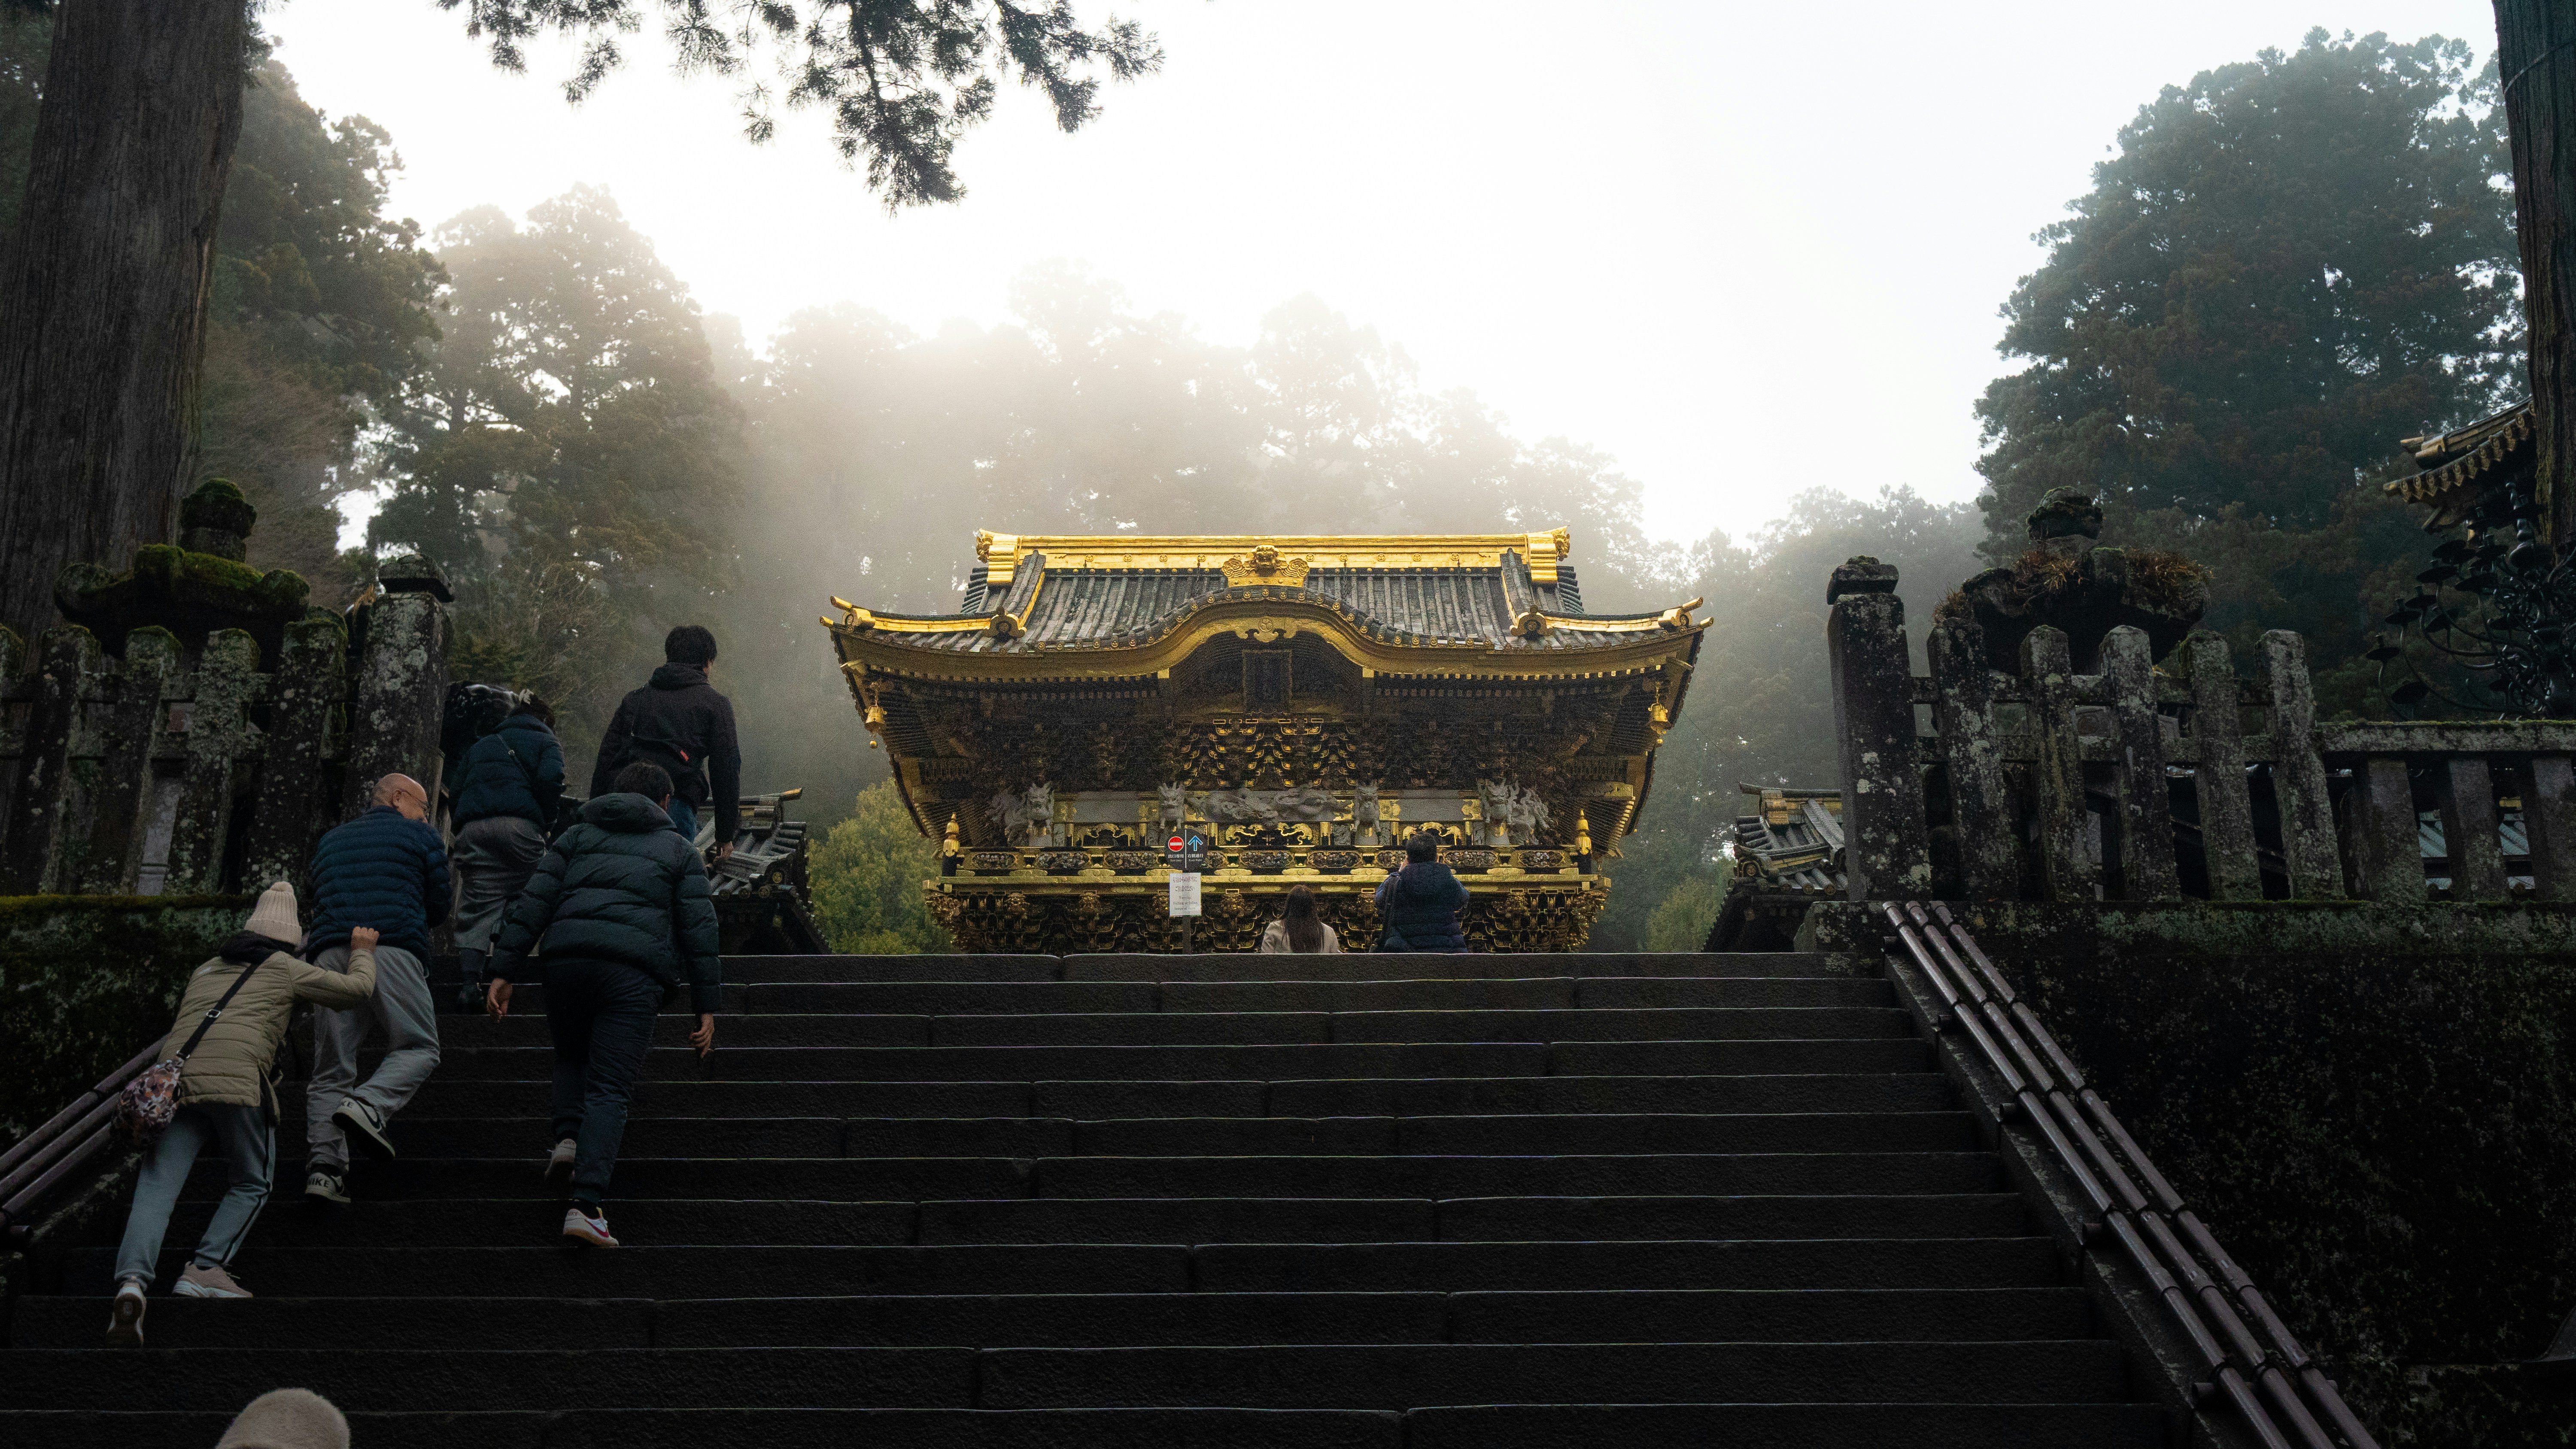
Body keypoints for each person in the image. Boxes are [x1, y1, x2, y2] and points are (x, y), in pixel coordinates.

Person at [106, 885, 378, 1347]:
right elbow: (356, 991)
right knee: (253, 1180)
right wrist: (362, 952)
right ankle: (206, 1268)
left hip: (177, 1084)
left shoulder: (205, 969)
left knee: (156, 1186)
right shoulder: (287, 967)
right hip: (238, 1084)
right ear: (290, 939)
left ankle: (131, 1282)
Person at [487, 760, 720, 1248]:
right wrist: (707, 1004)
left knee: (572, 1056)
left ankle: (569, 1139)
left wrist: (504, 970)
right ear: (664, 803)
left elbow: (535, 901)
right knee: (610, 1087)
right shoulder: (679, 851)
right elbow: (699, 932)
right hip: (632, 975)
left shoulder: (574, 839)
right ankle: (587, 1205)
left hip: (565, 963)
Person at [301, 774, 449, 1205]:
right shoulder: (419, 836)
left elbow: (317, 892)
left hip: (330, 952)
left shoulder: (331, 839)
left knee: (331, 1066)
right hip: (391, 945)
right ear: (400, 797)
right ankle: (369, 1105)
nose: (426, 817)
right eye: (424, 808)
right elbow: (439, 904)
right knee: (419, 1045)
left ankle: (324, 1171)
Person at [448, 696, 566, 1010]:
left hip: (473, 830)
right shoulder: (547, 741)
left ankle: (469, 985)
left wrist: (463, 825)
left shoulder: (482, 745)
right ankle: (506, 972)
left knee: (477, 904)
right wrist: (547, 821)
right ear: (546, 722)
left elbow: (456, 790)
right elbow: (551, 780)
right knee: (528, 896)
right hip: (519, 828)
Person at [592, 624, 741, 859]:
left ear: (669, 656)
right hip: (676, 806)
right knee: (667, 880)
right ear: (708, 663)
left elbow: (608, 759)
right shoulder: (716, 704)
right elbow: (726, 771)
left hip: (623, 807)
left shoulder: (635, 699)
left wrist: (596, 813)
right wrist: (724, 834)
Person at [1374, 832, 1469, 952]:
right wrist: (1443, 873)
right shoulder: (1448, 880)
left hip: (1404, 952)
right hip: (1446, 949)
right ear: (1437, 858)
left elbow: (1379, 902)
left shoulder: (1396, 882)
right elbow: (1463, 899)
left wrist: (1399, 872)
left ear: (1408, 859)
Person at [1259, 884, 1342, 953]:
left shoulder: (1275, 928)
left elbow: (1266, 962)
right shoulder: (1328, 931)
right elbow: (1338, 963)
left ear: (1289, 906)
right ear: (1313, 907)